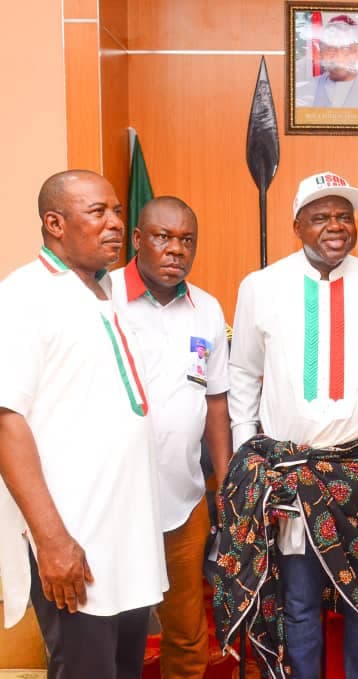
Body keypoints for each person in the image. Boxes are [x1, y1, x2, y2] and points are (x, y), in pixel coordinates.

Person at [222, 171, 358, 679]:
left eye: (343, 216)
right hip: (291, 473)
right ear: (297, 226)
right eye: (321, 216)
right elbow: (241, 375)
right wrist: (251, 458)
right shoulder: (260, 287)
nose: (335, 226)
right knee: (300, 600)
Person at [0, 170, 167, 678]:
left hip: (128, 542)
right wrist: (51, 541)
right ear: (54, 223)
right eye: (98, 212)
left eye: (117, 211)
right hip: (74, 544)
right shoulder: (24, 295)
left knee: (124, 671)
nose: (116, 223)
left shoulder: (105, 290)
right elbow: (6, 421)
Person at [109, 196, 232, 679]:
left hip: (183, 501)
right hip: (115, 504)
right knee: (119, 629)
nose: (175, 250)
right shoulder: (103, 296)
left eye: (186, 240)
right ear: (137, 240)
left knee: (186, 630)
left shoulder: (206, 309)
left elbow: (216, 402)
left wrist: (225, 482)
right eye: (162, 237)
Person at [295, 14, 358, 110]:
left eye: (344, 47)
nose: (336, 53)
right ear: (320, 53)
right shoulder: (304, 91)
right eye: (329, 47)